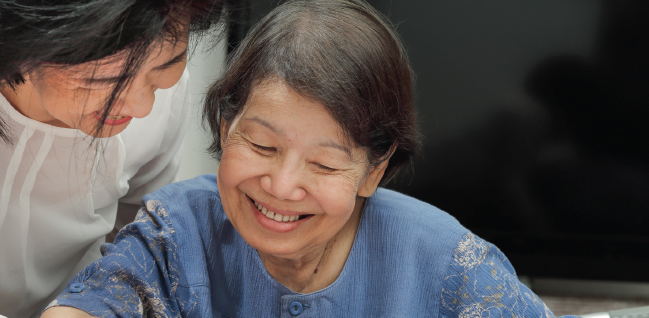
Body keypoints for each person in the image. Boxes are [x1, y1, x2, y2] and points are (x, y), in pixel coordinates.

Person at [42, 0, 580, 317]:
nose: (281, 185)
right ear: (226, 126)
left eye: (324, 165)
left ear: (375, 168)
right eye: (261, 146)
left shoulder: (448, 262)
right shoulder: (175, 232)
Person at [0, 0, 233, 317]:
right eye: (105, 81)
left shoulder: (162, 90)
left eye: (163, 69)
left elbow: (140, 249)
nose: (142, 107)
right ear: (23, 38)